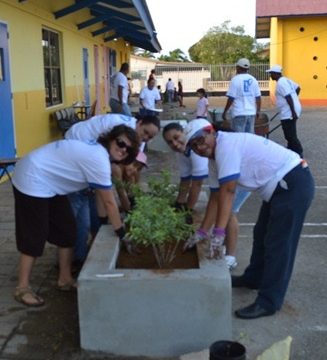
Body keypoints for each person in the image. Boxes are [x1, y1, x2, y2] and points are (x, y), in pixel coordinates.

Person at [183, 119, 314, 319]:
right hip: (278, 188)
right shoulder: (214, 159)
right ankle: (254, 278)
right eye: (194, 146)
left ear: (211, 131)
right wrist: (201, 233)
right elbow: (215, 198)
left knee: (279, 244)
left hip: (293, 183)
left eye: (201, 140)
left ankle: (269, 301)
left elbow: (228, 191)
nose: (200, 148)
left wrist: (218, 235)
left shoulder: (226, 145)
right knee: (261, 233)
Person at [12, 125, 139, 307]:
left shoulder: (100, 155)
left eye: (129, 150)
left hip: (51, 182)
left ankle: (65, 279)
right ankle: (22, 288)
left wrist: (103, 225)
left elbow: (102, 200)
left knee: (67, 229)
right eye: (121, 143)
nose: (123, 149)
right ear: (110, 139)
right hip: (32, 177)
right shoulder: (98, 158)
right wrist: (122, 234)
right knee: (34, 235)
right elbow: (110, 203)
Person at [65, 113, 160, 260]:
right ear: (139, 123)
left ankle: (90, 243)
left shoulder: (135, 141)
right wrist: (121, 231)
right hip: (76, 142)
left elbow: (129, 177)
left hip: (91, 154)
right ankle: (74, 258)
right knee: (77, 214)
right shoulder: (120, 135)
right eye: (145, 132)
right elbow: (114, 192)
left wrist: (133, 201)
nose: (146, 137)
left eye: (151, 137)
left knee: (93, 201)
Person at [162, 123, 208, 219]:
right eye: (170, 142)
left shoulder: (196, 149)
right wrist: (179, 203)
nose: (174, 144)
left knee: (228, 211)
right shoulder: (181, 151)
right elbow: (185, 179)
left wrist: (187, 211)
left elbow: (197, 184)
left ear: (184, 132)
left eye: (176, 137)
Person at [266, 64, 303, 157]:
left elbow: (288, 97)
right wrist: (295, 99)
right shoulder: (286, 80)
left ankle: (298, 152)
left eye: (271, 74)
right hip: (290, 109)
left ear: (276, 73)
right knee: (289, 131)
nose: (270, 76)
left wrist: (293, 111)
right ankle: (291, 150)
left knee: (290, 134)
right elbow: (298, 88)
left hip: (289, 112)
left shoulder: (281, 83)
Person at [222, 58, 261, 133]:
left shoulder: (235, 80)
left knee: (239, 138)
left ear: (238, 67)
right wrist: (258, 111)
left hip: (239, 113)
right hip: (251, 113)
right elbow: (258, 97)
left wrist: (225, 111)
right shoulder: (254, 80)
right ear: (248, 68)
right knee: (249, 138)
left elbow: (231, 98)